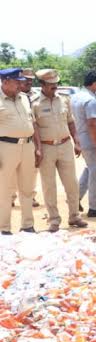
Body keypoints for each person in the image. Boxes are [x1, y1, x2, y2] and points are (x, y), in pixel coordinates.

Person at [31, 69, 87, 232]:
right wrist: (38, 149)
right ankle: (54, 220)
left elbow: (71, 122)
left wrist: (76, 141)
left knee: (72, 183)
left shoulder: (64, 100)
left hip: (64, 145)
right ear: (42, 84)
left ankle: (74, 216)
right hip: (46, 147)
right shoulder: (34, 103)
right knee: (49, 185)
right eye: (50, 84)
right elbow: (34, 128)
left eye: (55, 83)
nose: (54, 87)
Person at [0, 68, 38, 234]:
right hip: (6, 147)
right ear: (5, 81)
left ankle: (27, 225)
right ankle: (4, 228)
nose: (20, 85)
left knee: (27, 187)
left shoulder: (24, 98)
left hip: (27, 146)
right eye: (17, 81)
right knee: (4, 189)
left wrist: (38, 148)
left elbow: (33, 123)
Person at [72, 70, 96, 217]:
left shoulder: (75, 97)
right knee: (95, 174)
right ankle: (94, 206)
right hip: (91, 139)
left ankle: (75, 199)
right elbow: (92, 124)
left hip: (82, 137)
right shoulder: (90, 101)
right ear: (94, 84)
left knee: (89, 170)